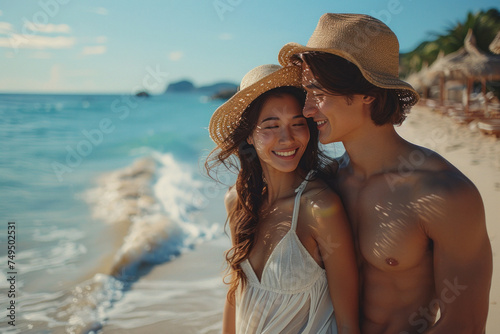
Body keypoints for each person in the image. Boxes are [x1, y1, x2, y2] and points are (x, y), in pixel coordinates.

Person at [278, 13, 493, 334]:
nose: (307, 110)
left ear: (368, 92)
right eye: (306, 94)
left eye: (318, 93)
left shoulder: (443, 194)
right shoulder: (326, 183)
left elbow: (464, 324)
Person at [206, 64, 360, 334]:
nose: (287, 138)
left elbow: (348, 321)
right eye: (271, 126)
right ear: (249, 136)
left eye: (297, 124)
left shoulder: (320, 207)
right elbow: (237, 289)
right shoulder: (238, 201)